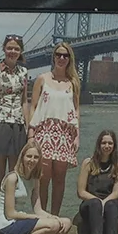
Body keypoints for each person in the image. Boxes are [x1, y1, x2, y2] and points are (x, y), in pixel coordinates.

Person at [0, 141, 73, 234]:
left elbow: (38, 209)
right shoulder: (12, 178)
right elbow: (10, 214)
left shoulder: (35, 179)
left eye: (36, 157)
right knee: (53, 225)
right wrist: (36, 218)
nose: (32, 160)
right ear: (22, 157)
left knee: (66, 222)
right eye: (29, 156)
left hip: (20, 222)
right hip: (5, 226)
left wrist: (52, 216)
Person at [27, 42, 80, 216]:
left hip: (65, 133)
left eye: (65, 55)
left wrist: (77, 135)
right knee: (43, 178)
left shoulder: (73, 82)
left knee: (59, 179)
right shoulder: (42, 79)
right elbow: (33, 106)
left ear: (70, 59)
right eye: (58, 55)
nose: (62, 58)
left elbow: (76, 109)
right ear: (53, 57)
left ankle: (55, 216)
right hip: (44, 131)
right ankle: (42, 215)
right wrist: (31, 133)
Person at [0, 34, 32, 210]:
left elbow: (24, 101)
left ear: (21, 51)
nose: (12, 51)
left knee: (14, 171)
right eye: (9, 48)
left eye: (16, 49)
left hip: (17, 124)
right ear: (4, 49)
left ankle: (11, 209)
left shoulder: (23, 72)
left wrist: (28, 127)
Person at [76, 130, 118, 234]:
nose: (107, 146)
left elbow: (116, 192)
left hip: (110, 202)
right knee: (95, 203)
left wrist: (104, 202)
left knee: (112, 204)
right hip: (90, 203)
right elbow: (81, 192)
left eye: (110, 143)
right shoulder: (88, 163)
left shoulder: (117, 165)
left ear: (114, 146)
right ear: (99, 144)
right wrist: (98, 201)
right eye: (104, 143)